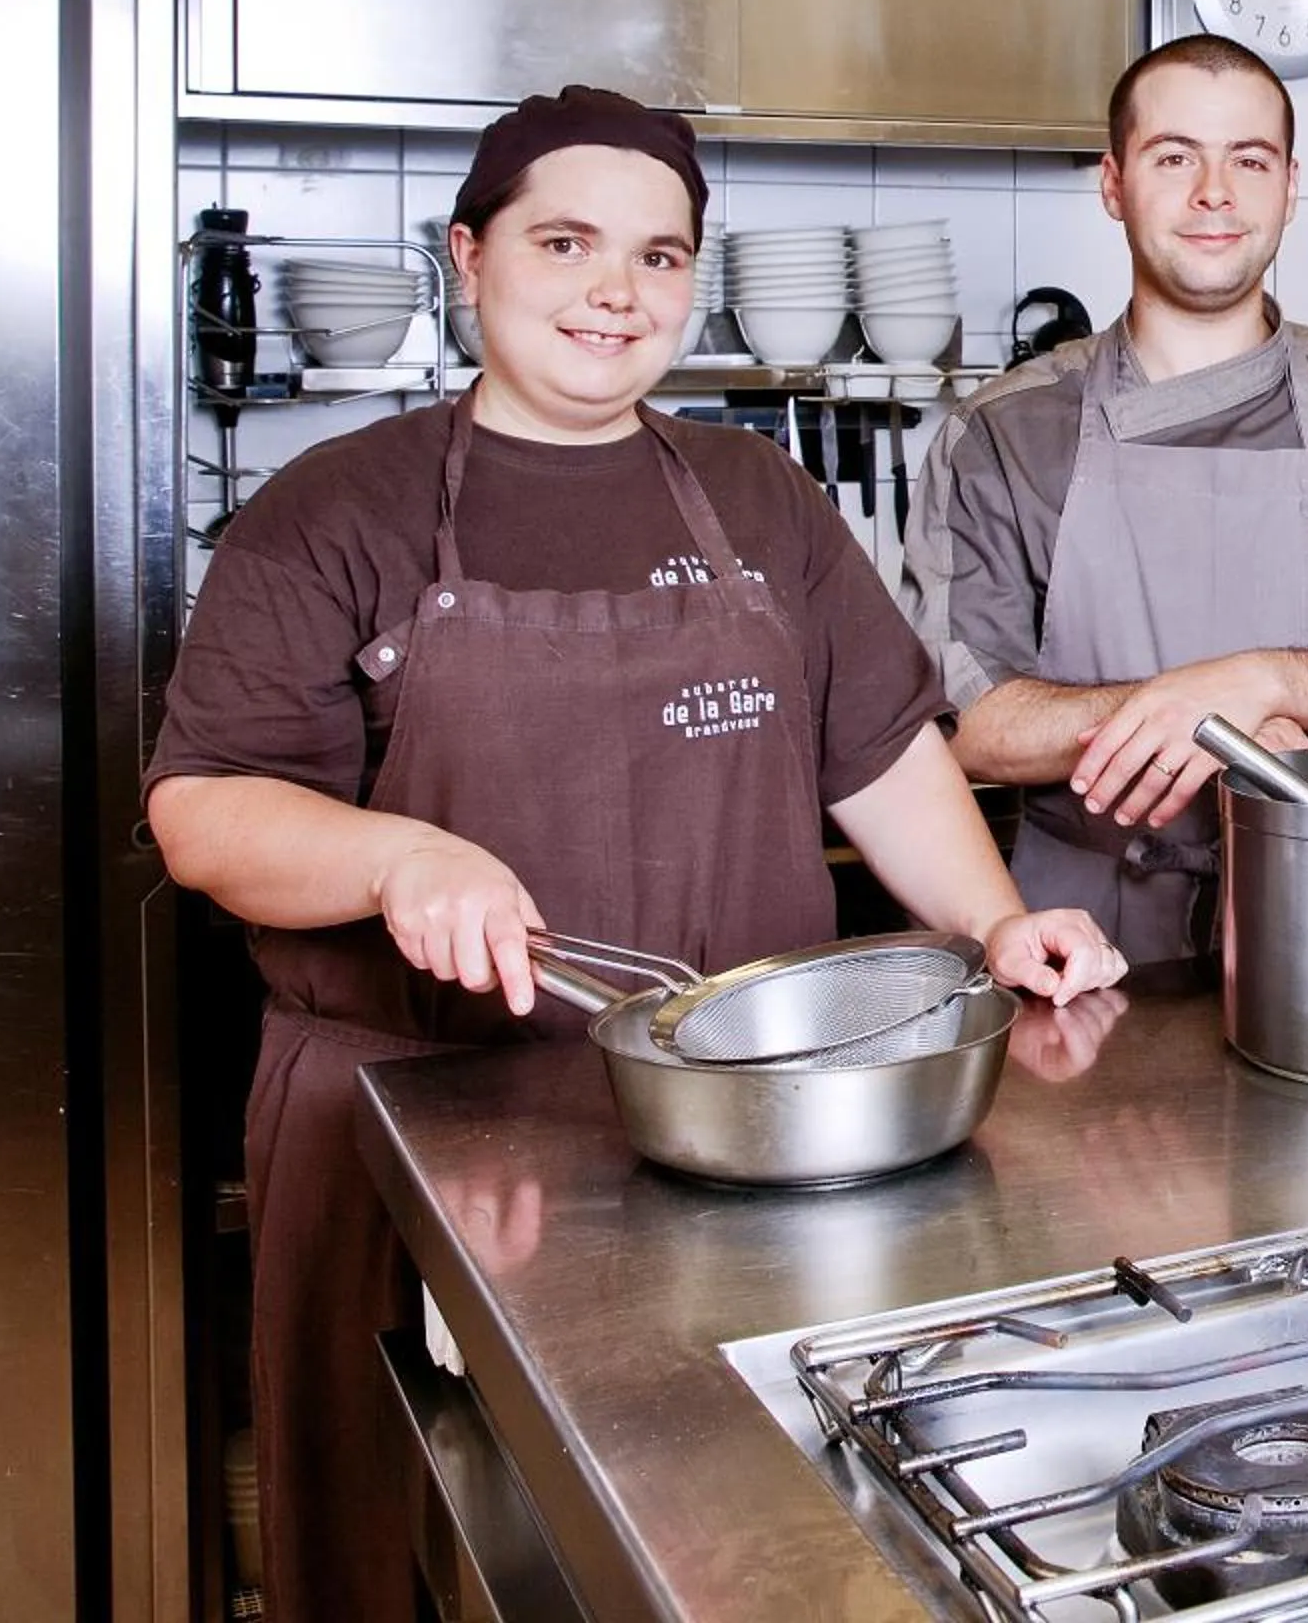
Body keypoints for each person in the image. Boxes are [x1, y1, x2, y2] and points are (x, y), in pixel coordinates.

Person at [145, 86, 1124, 1623]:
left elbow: (877, 752)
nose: (619, 289)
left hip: (737, 1130)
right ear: (467, 260)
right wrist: (399, 857)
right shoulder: (332, 510)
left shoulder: (758, 497)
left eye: (661, 257)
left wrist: (1000, 923)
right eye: (568, 243)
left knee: (724, 1546)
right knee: (417, 1539)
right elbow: (204, 810)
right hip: (417, 1132)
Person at [902, 35, 1308, 977]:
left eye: (1248, 161)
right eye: (1174, 158)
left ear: (1290, 187)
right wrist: (1210, 724)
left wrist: (1261, 683)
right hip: (1084, 944)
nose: (1214, 192)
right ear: (1113, 184)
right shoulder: (1004, 434)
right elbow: (969, 719)